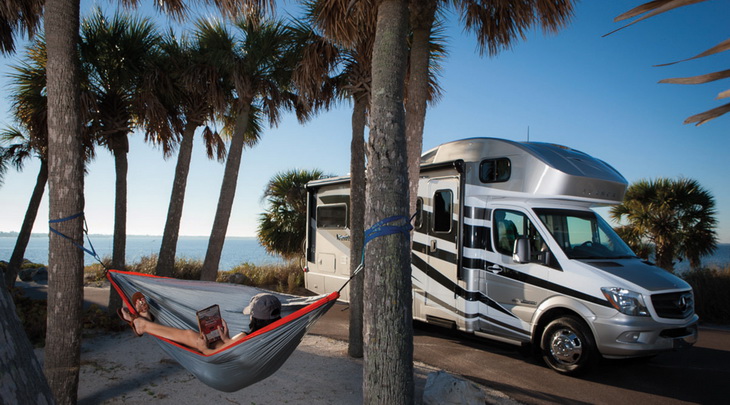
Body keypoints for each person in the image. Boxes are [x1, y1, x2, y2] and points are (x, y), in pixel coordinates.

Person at [118, 292, 282, 355]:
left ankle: (142, 324)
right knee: (203, 328)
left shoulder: (246, 337)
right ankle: (145, 320)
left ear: (254, 317)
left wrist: (203, 348)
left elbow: (213, 354)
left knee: (190, 335)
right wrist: (225, 338)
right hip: (219, 345)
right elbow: (232, 347)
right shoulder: (274, 332)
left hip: (210, 352)